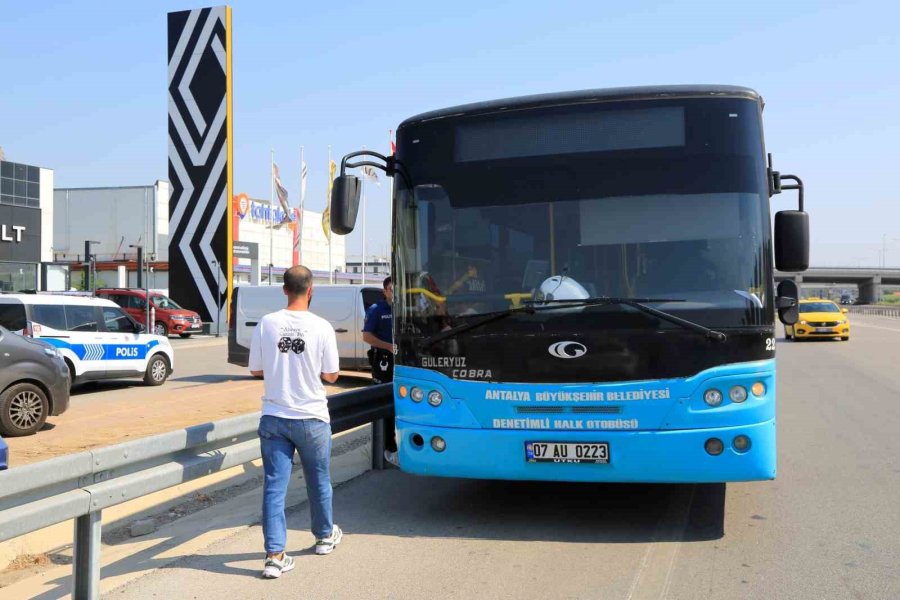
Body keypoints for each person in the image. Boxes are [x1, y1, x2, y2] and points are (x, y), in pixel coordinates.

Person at [249, 265, 343, 580]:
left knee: (274, 487)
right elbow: (331, 375)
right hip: (312, 418)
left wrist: (282, 366)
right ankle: (324, 537)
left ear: (284, 289)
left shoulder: (267, 323)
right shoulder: (322, 327)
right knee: (319, 480)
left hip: (275, 417)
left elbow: (255, 369)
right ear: (311, 289)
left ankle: (274, 556)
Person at [362, 276, 399, 466]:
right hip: (384, 362)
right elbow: (367, 336)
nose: (394, 293)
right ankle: (387, 449)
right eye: (392, 289)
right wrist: (387, 346)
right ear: (385, 291)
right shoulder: (377, 310)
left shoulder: (405, 309)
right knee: (385, 406)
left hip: (403, 361)